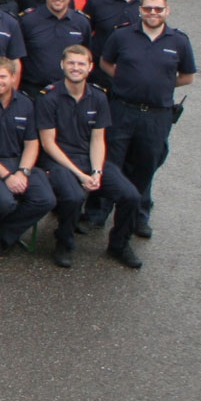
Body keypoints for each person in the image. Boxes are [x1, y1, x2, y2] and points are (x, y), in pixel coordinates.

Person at [98, 0, 195, 241]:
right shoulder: (122, 35)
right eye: (148, 8)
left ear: (167, 11)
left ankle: (138, 216)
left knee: (146, 165)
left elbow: (187, 77)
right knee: (111, 162)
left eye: (158, 9)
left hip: (156, 116)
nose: (153, 13)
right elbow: (105, 63)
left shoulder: (179, 41)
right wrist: (127, 81)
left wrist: (160, 85)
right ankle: (98, 212)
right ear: (140, 9)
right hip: (122, 110)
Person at [37, 45, 141, 269]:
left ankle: (119, 245)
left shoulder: (99, 97)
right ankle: (64, 242)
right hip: (57, 161)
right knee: (74, 197)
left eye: (81, 63)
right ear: (62, 64)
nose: (76, 68)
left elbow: (97, 139)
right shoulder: (48, 97)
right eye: (71, 63)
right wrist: (80, 175)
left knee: (130, 196)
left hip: (88, 159)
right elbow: (48, 144)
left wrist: (96, 171)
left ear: (90, 67)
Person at [0, 56, 56, 259]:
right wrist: (8, 177)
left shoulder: (26, 103)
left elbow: (32, 143)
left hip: (20, 163)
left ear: (14, 77)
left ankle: (1, 236)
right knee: (4, 202)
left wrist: (23, 172)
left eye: (3, 76)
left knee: (45, 199)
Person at [19, 0, 92, 98]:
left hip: (69, 94)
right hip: (34, 93)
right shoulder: (27, 21)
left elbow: (87, 55)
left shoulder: (81, 23)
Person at [85, 0, 145, 76]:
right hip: (99, 74)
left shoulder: (147, 5)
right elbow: (84, 34)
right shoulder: (97, 2)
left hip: (134, 74)